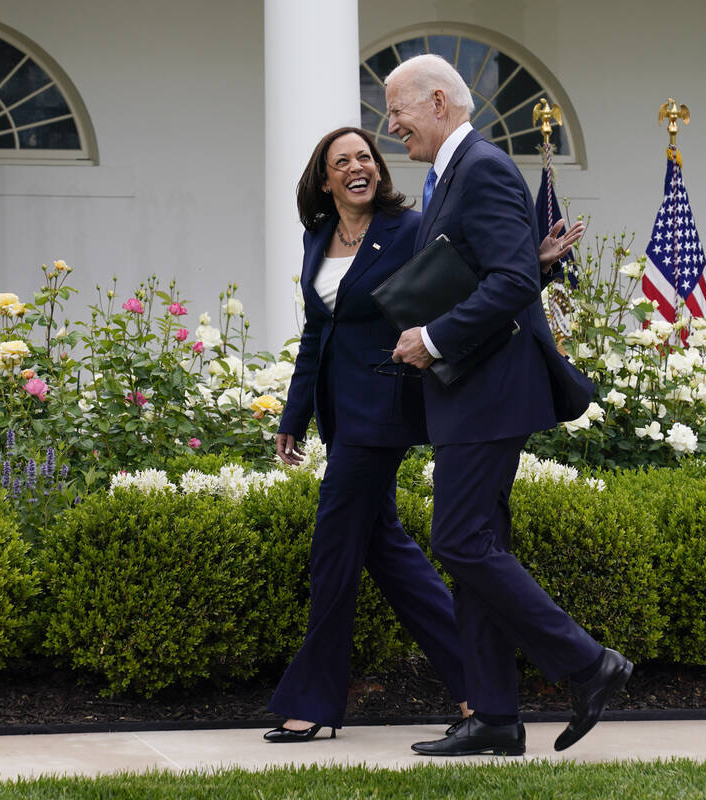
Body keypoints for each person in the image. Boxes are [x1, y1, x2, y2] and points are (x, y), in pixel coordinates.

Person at [385, 54, 633, 756]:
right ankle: (494, 715)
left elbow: (509, 280)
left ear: (438, 102)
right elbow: (499, 266)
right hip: (472, 392)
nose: (391, 124)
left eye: (397, 109)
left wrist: (432, 338)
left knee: (460, 542)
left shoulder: (483, 166)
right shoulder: (453, 174)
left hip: (488, 391)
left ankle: (590, 664)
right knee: (475, 548)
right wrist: (536, 259)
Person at [263, 126, 470, 743]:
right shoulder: (317, 237)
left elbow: (462, 285)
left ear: (377, 169)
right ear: (324, 180)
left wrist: (530, 263)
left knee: (333, 550)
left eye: (364, 157)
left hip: (384, 408)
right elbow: (315, 334)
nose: (357, 167)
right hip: (339, 411)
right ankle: (479, 687)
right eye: (341, 161)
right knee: (388, 552)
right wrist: (294, 416)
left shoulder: (409, 230)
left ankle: (314, 699)